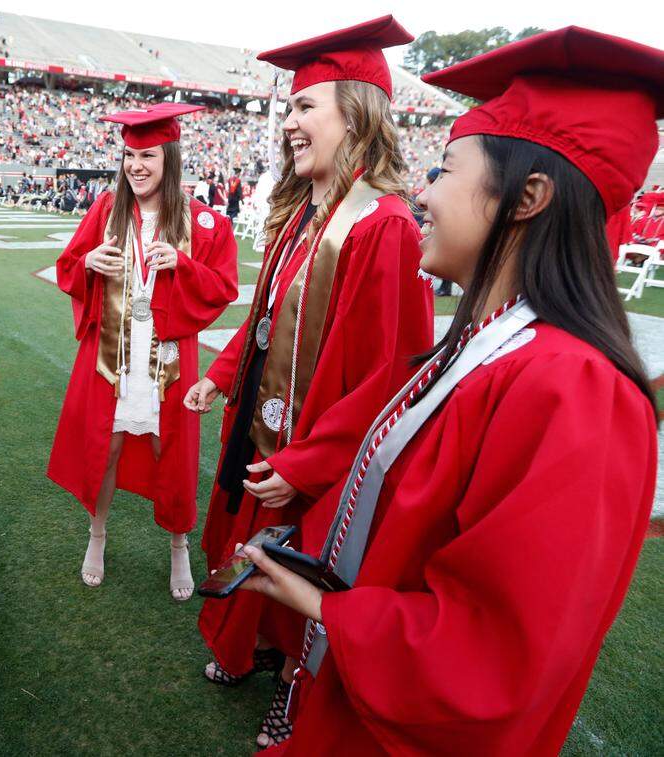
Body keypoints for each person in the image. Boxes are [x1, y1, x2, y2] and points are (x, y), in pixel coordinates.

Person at [240, 26, 660, 754]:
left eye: (444, 169)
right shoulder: (482, 347)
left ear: (527, 196)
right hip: (353, 694)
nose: (421, 191)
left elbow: (498, 655)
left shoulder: (575, 389)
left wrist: (328, 610)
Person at [182, 15, 434, 747]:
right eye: (289, 108)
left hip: (321, 449)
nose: (288, 123)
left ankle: (294, 685)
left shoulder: (382, 226)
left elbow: (390, 375)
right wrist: (222, 373)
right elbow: (265, 324)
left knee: (305, 568)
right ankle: (250, 644)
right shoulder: (305, 214)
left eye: (304, 108)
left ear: (355, 116)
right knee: (249, 539)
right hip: (265, 418)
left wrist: (306, 461)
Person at [48, 103, 239, 600]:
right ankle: (97, 536)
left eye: (148, 155)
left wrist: (182, 264)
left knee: (170, 453)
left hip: (169, 360)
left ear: (169, 158)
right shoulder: (105, 210)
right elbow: (67, 267)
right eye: (130, 155)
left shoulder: (205, 222)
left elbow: (223, 288)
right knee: (106, 449)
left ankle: (178, 546)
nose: (136, 165)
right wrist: (88, 262)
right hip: (112, 356)